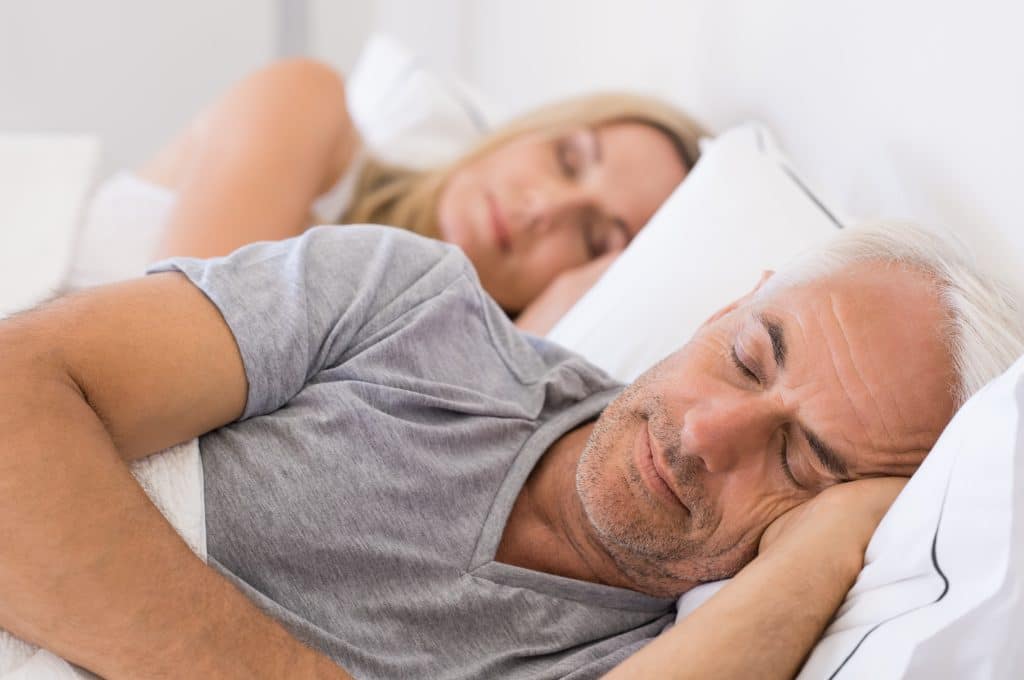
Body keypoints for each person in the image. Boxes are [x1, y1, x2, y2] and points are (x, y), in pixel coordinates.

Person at [2, 220, 1020, 679]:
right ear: (724, 304)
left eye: (802, 459)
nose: (710, 433)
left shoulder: (676, 650)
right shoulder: (404, 307)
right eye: (749, 356)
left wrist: (815, 558)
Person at [65, 58, 705, 334]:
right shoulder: (308, 107)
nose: (543, 208)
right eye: (567, 159)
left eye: (594, 238)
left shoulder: (445, 384)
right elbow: (171, 362)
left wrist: (531, 347)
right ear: (531, 130)